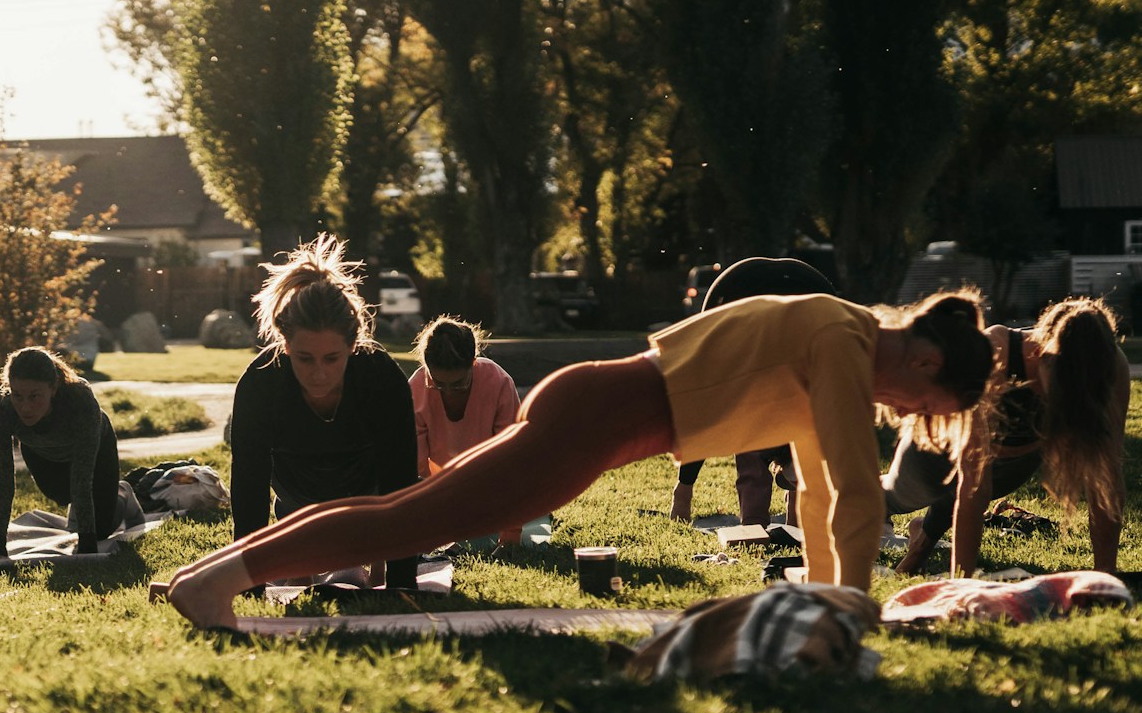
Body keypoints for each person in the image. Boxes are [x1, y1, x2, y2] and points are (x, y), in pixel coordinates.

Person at [168, 291, 994, 627]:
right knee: (419, 515)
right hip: (598, 415)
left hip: (598, 415)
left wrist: (823, 601)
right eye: (929, 409)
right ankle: (220, 581)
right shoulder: (842, 338)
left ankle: (216, 572)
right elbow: (854, 487)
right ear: (924, 364)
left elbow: (819, 488)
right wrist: (848, 610)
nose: (911, 418)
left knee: (415, 511)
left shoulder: (838, 332)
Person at [887, 295, 1129, 576]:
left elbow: (1106, 477)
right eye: (1064, 383)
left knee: (956, 499)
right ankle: (871, 506)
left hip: (1014, 459)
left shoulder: (1112, 365)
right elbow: (973, 483)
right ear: (1042, 353)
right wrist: (962, 582)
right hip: (937, 446)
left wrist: (1105, 572)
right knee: (898, 495)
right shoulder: (996, 353)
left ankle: (920, 542)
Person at [228, 234, 419, 588]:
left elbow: (401, 482)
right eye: (304, 359)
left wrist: (402, 583)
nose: (319, 373)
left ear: (353, 345)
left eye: (332, 359)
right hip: (296, 488)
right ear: (285, 346)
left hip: (367, 487)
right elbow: (249, 488)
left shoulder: (380, 377)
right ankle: (304, 550)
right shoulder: (260, 384)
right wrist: (250, 585)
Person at [668, 256, 839, 525]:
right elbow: (704, 419)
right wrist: (685, 488)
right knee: (750, 449)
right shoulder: (739, 372)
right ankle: (752, 523)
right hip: (740, 307)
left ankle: (794, 522)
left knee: (800, 443)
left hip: (799, 307)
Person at [0, 346, 121, 556]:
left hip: (96, 449)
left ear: (54, 388)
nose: (25, 407)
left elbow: (82, 479)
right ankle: (82, 509)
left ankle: (124, 493)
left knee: (102, 529)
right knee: (61, 495)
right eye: (18, 395)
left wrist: (87, 544)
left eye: (34, 396)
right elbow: (2, 480)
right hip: (41, 452)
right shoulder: (1, 408)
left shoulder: (80, 399)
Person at [410, 316, 518, 477]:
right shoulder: (416, 389)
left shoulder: (498, 382)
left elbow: (511, 447)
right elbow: (416, 461)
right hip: (437, 482)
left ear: (473, 363)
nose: (448, 391)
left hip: (492, 476)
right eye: (438, 383)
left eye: (458, 384)